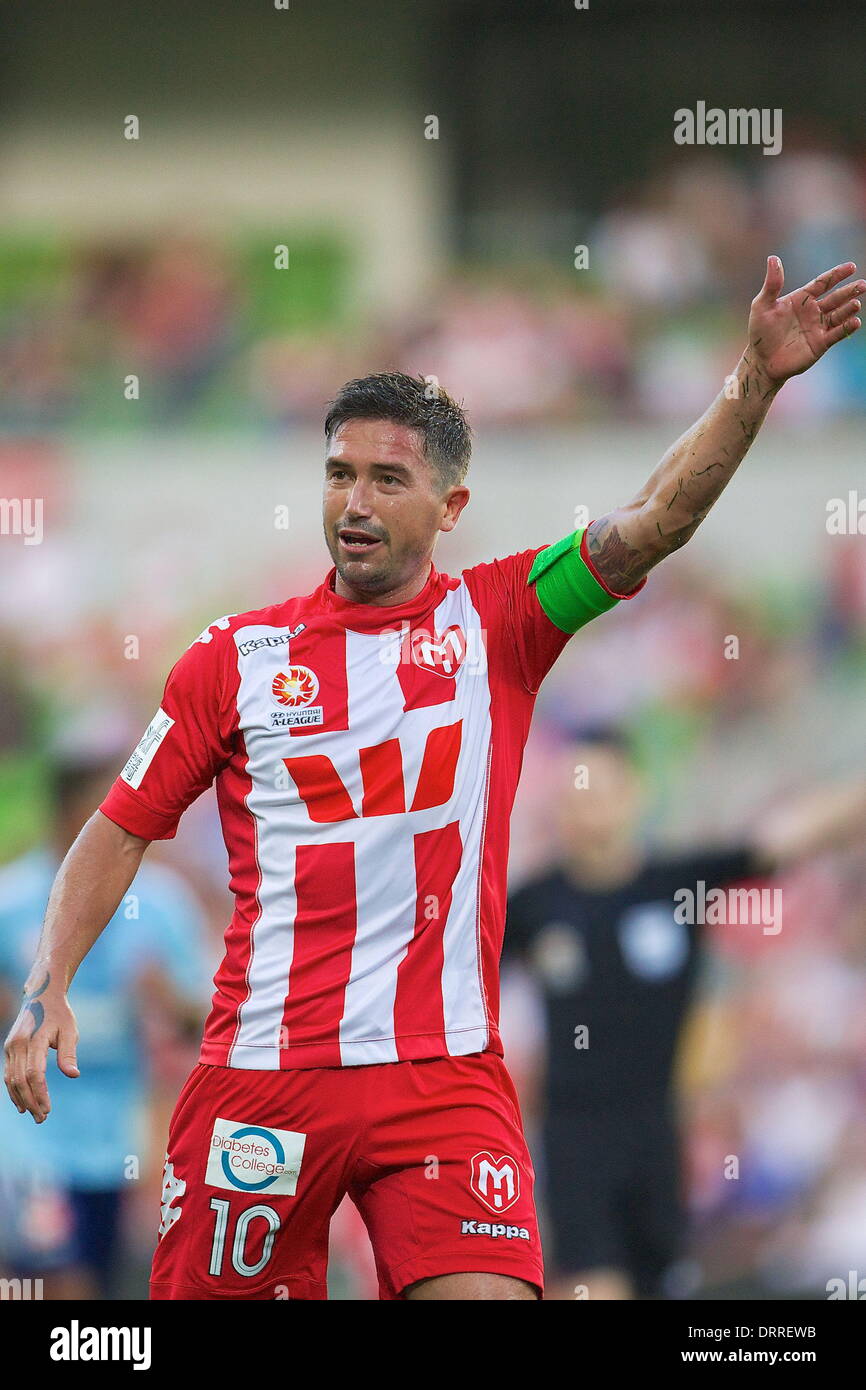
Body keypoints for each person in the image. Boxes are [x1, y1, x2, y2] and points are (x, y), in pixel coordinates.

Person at [4, 256, 863, 1301]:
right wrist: (45, 987)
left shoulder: (501, 619)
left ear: (449, 505)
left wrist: (752, 384)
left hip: (442, 1079)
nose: (353, 502)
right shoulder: (232, 659)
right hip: (265, 1081)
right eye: (337, 475)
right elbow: (119, 826)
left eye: (387, 479)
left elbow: (653, 521)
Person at [505, 727, 866, 1301]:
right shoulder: (532, 906)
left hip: (659, 1133)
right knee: (596, 1286)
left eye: (598, 789)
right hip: (576, 1140)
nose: (583, 805)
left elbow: (785, 839)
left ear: (634, 794)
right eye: (573, 793)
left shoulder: (676, 886)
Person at [0, 748, 211, 1298]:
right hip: (32, 1138)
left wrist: (168, 999)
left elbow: (206, 1022)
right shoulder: (12, 899)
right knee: (56, 1282)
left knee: (112, 1281)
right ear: (68, 813)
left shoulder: (161, 904)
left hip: (124, 1138)